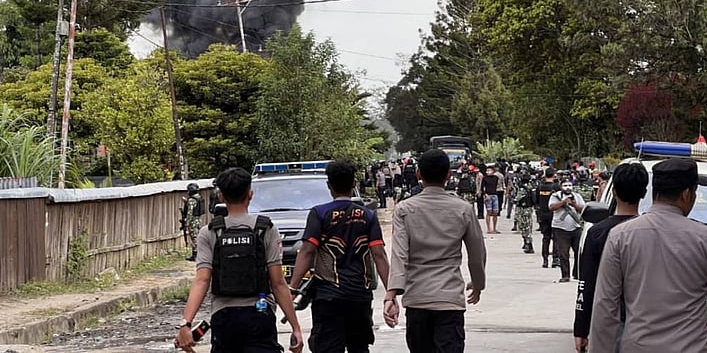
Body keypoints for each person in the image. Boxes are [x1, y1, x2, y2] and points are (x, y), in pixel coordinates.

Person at [589, 158, 707, 353]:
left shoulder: (620, 236)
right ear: (686, 194)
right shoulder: (706, 239)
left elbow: (605, 306)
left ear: (655, 192)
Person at [174, 168, 303, 353]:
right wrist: (295, 327)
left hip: (224, 318)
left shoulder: (209, 232)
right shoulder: (265, 228)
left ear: (220, 197)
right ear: (250, 195)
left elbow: (202, 280)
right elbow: (278, 283)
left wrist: (185, 324)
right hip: (260, 315)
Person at [383, 149, 486, 353]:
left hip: (417, 300)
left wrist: (391, 294)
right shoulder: (463, 209)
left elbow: (399, 255)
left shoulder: (404, 209)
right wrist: (478, 284)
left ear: (419, 174)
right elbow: (477, 254)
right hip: (449, 300)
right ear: (449, 174)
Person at [289, 160, 391, 352]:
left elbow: (307, 251)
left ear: (329, 185)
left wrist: (293, 287)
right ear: (354, 184)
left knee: (327, 347)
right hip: (359, 297)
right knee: (359, 347)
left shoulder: (319, 213)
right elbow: (379, 254)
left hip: (328, 297)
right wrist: (390, 293)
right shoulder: (368, 215)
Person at [574, 163, 648, 353]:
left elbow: (586, 284)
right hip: (647, 324)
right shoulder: (653, 233)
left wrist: (581, 329)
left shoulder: (597, 233)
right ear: (644, 193)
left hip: (607, 323)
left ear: (613, 191)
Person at [548, 179, 585, 283]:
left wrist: (574, 204)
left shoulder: (577, 196)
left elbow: (583, 208)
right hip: (560, 228)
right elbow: (551, 207)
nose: (568, 187)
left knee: (578, 252)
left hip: (576, 227)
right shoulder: (555, 196)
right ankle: (565, 275)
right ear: (561, 186)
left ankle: (577, 273)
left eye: (569, 185)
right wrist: (563, 202)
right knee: (563, 253)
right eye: (565, 185)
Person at [536, 168, 560, 269]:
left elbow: (536, 200)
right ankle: (555, 259)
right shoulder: (556, 187)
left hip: (543, 214)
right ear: (554, 175)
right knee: (556, 237)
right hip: (554, 214)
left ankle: (545, 260)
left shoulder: (540, 187)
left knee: (546, 237)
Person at [514, 169, 536, 253]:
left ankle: (528, 244)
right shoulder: (531, 186)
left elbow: (517, 199)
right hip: (529, 208)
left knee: (524, 227)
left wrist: (514, 199)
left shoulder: (523, 188)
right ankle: (527, 243)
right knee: (527, 226)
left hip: (523, 209)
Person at [181, 182, 204, 261]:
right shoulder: (199, 197)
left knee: (194, 238)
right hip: (198, 220)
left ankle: (195, 255)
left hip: (193, 221)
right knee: (196, 236)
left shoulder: (192, 200)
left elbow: (190, 213)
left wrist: (187, 223)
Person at [480, 165, 502, 234]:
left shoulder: (496, 178)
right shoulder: (484, 178)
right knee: (489, 211)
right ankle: (489, 228)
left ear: (493, 171)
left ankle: (495, 228)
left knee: (495, 212)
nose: (488, 172)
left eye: (489, 170)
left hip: (495, 195)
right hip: (488, 196)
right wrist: (485, 194)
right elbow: (482, 188)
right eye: (487, 171)